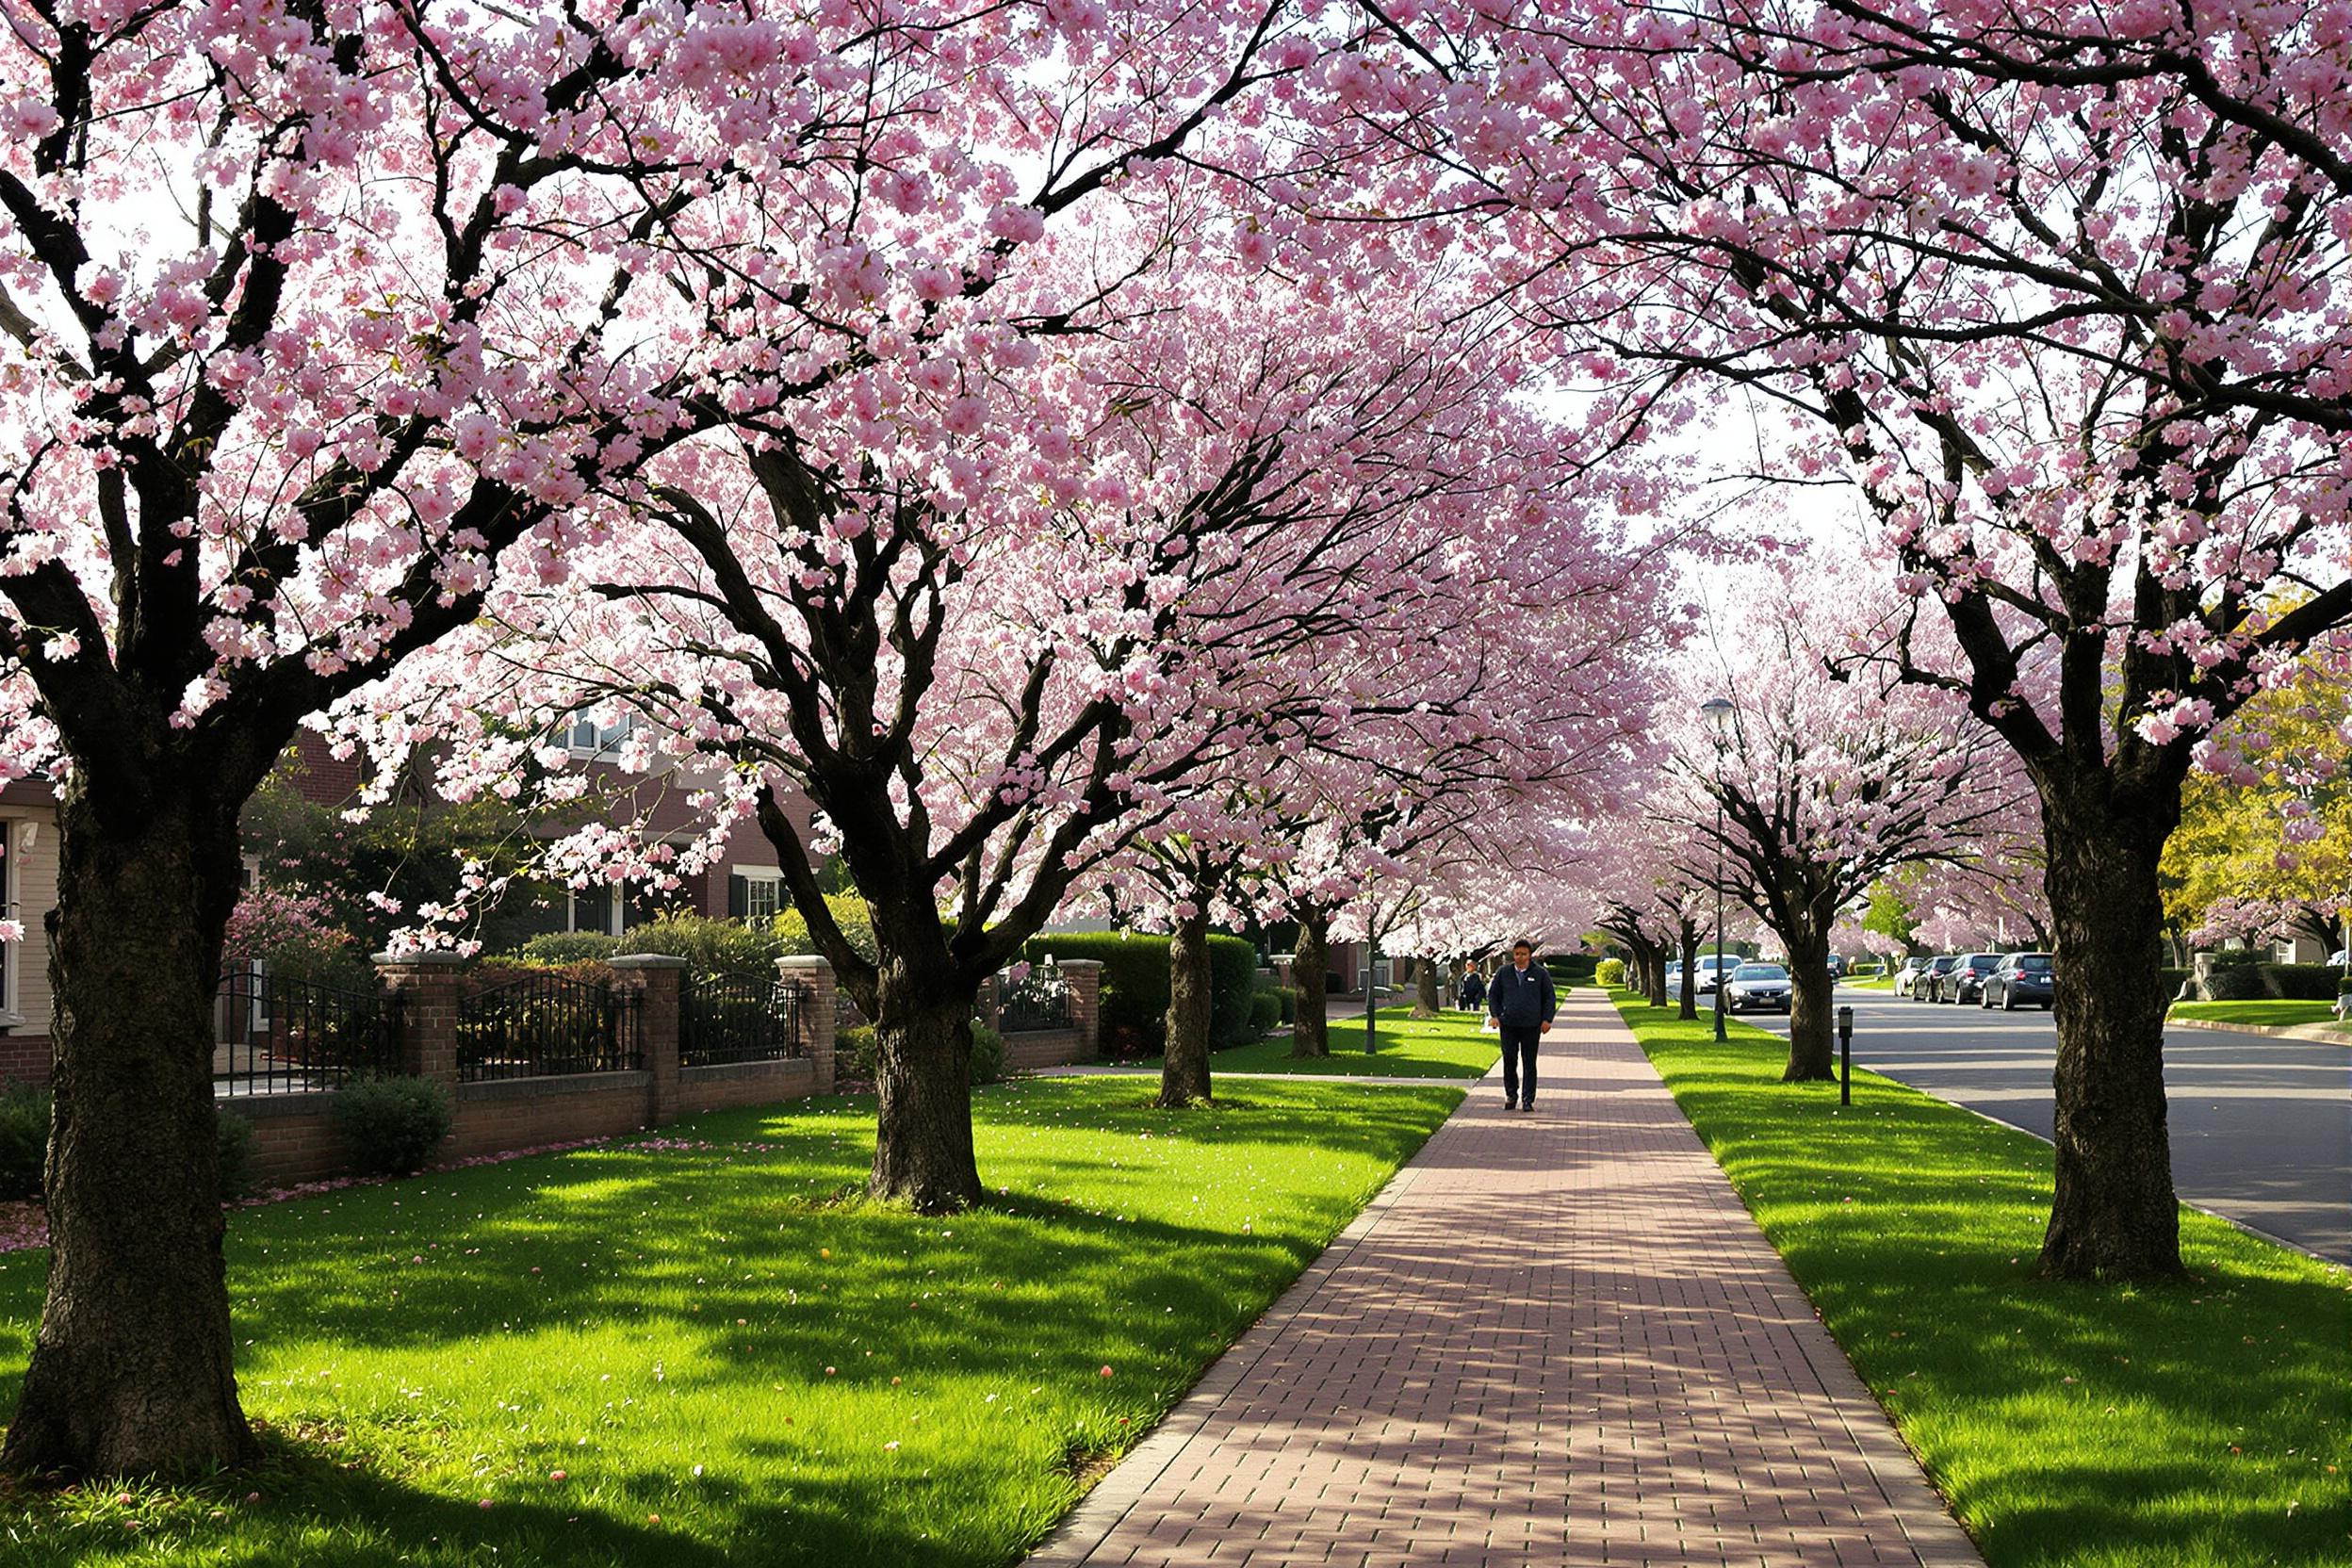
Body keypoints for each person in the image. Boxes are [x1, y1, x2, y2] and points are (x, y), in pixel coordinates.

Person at [1484, 939, 1557, 1112]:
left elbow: (1549, 997)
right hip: (1508, 1024)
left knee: (1529, 1062)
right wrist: (1495, 1015)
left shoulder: (1540, 974)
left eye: (1524, 954)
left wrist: (1547, 1019)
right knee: (1509, 1059)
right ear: (1513, 955)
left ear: (1530, 955)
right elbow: (1493, 995)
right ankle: (1511, 1094)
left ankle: (1528, 1099)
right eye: (1517, 954)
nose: (1520, 957)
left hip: (1531, 1025)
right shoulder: (1504, 973)